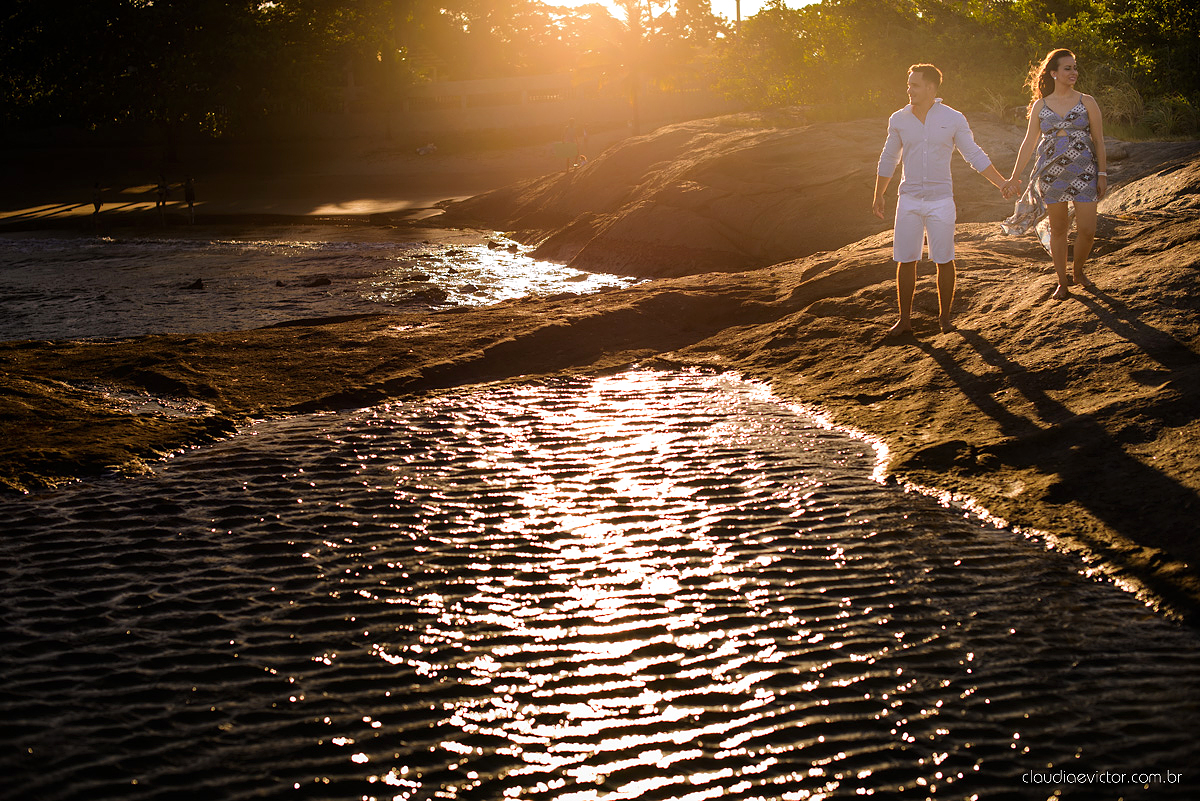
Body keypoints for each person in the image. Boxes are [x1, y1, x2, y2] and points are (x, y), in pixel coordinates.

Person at [873, 64, 1013, 335]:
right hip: (909, 199)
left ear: (930, 88)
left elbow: (973, 154)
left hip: (941, 200)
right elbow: (889, 157)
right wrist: (879, 193)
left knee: (944, 259)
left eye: (915, 85)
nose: (909, 89)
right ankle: (904, 320)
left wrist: (1002, 183)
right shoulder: (898, 119)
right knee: (906, 259)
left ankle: (945, 319)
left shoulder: (953, 118)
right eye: (908, 84)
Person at [1001, 49, 1107, 299]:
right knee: (1059, 229)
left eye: (1075, 68)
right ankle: (1062, 281)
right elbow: (1029, 142)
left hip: (1084, 170)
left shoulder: (1087, 101)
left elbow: (1099, 140)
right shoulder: (1041, 104)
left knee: (1088, 230)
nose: (1074, 72)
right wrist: (1014, 176)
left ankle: (1078, 271)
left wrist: (1102, 173)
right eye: (1067, 68)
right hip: (1051, 174)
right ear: (1054, 73)